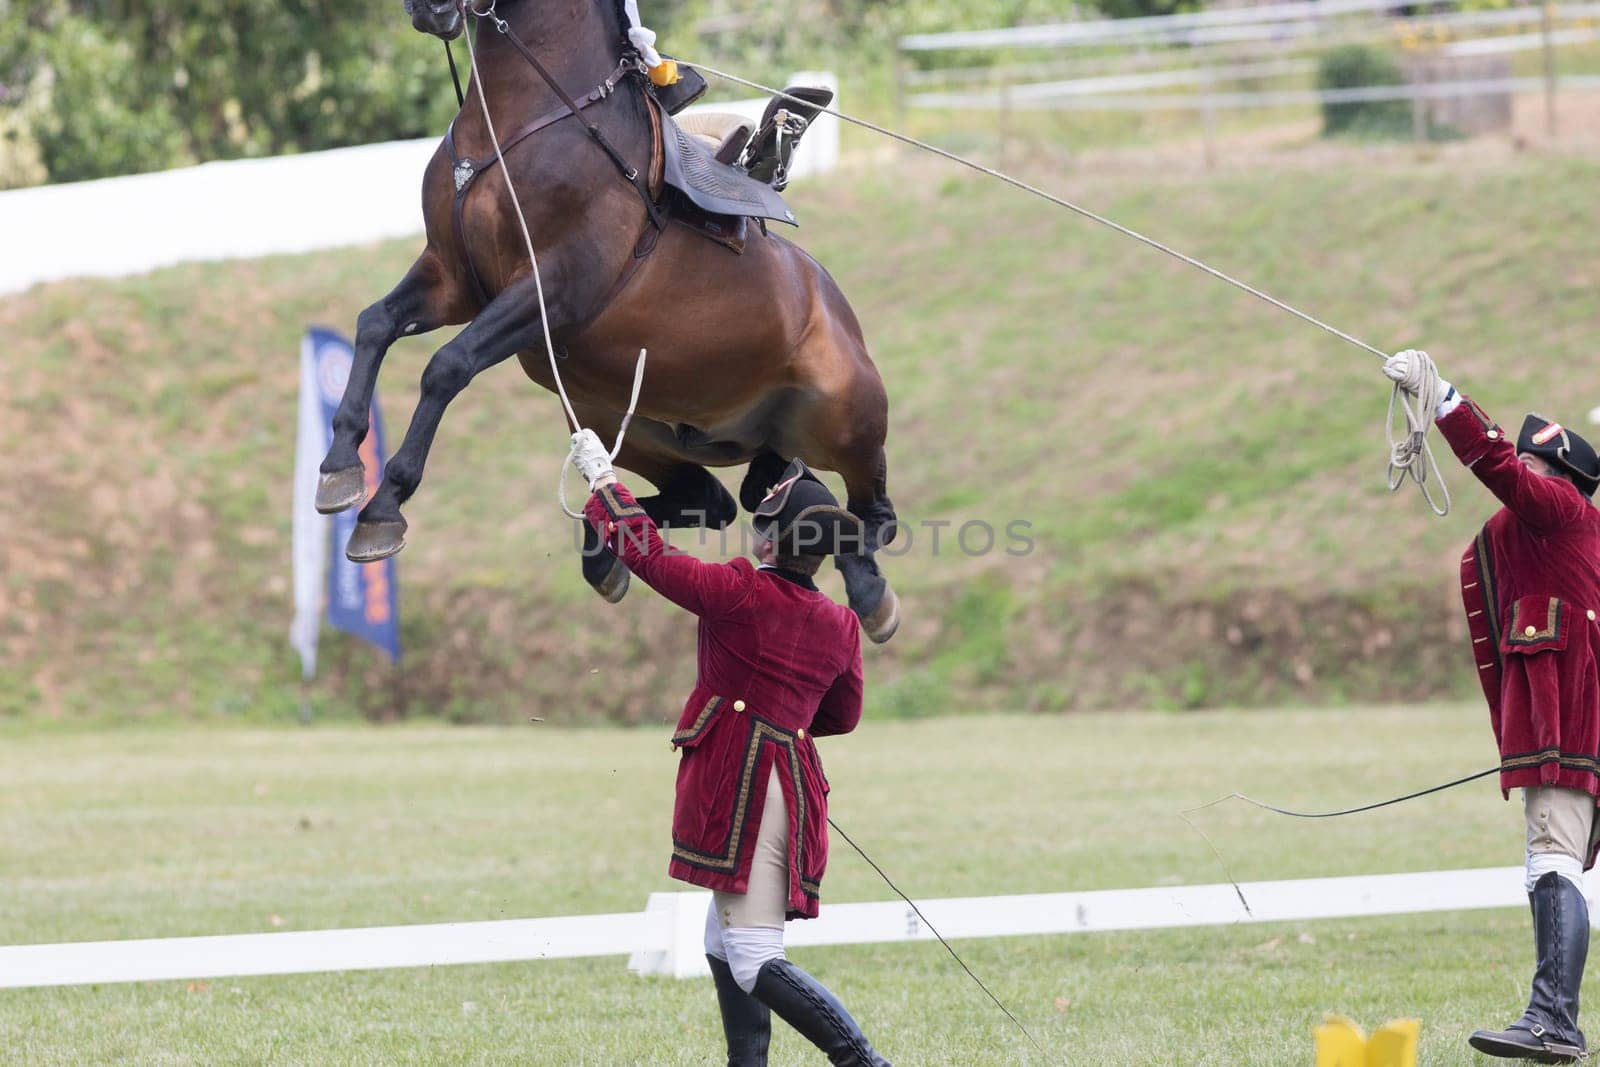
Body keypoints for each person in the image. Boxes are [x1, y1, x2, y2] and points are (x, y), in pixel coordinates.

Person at [571, 430, 892, 1067]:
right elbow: (844, 715)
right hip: (790, 780)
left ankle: (863, 1062)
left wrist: (606, 485)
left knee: (753, 957)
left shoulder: (741, 590)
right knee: (723, 942)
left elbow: (653, 557)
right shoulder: (840, 622)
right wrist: (784, 717)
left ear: (769, 538)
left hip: (746, 784)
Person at [1386, 350, 1600, 1064]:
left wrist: (1443, 397)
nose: (1524, 485)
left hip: (1569, 722)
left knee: (1552, 863)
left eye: (1537, 473)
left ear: (1563, 482)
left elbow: (1498, 464)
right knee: (1553, 863)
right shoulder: (1543, 533)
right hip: (1562, 723)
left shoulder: (1560, 513)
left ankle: (1554, 1021)